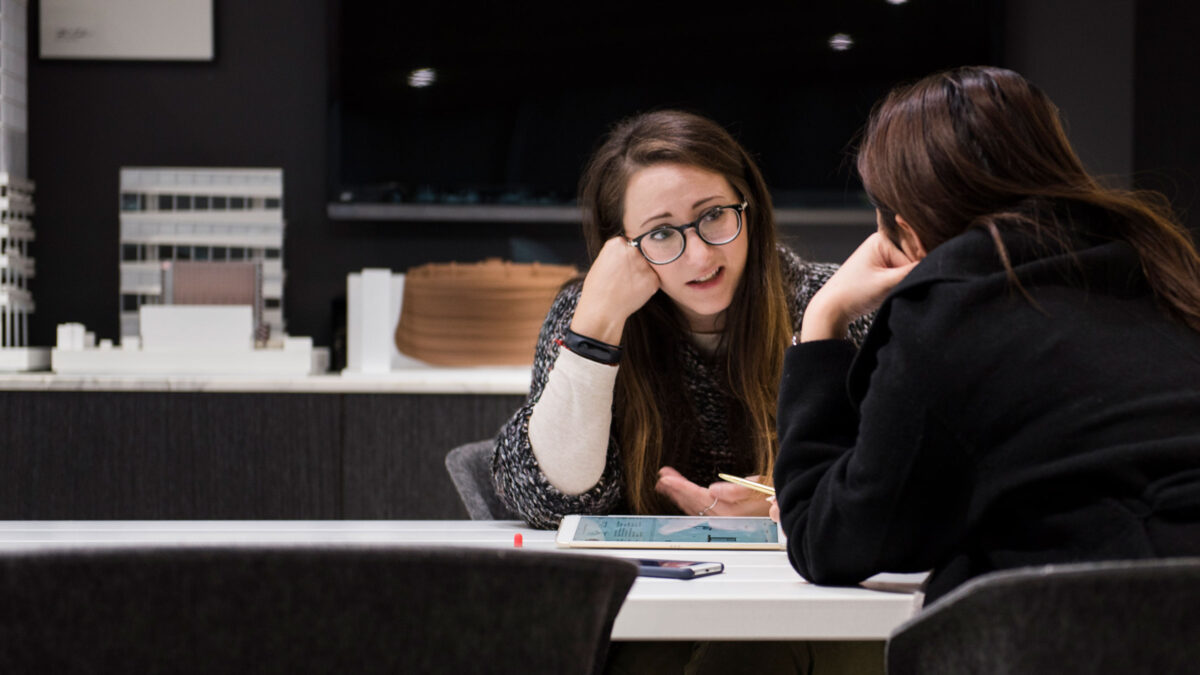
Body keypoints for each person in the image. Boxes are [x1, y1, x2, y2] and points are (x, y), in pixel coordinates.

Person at [771, 66, 1200, 607]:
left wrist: (823, 317)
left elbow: (827, 540)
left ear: (903, 227)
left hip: (1108, 632)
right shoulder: (1163, 270)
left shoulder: (949, 313)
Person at [490, 109, 869, 531]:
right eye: (661, 233)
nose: (700, 256)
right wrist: (595, 329)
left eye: (713, 215)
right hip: (641, 587)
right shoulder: (586, 313)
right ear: (623, 246)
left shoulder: (828, 304)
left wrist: (791, 502)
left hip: (800, 580)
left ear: (750, 206)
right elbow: (545, 502)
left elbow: (892, 472)